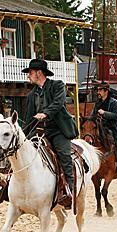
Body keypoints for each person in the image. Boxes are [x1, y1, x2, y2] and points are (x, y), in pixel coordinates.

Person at [22, 58, 79, 209]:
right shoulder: (31, 95)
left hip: (59, 130)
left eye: (30, 73)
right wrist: (21, 137)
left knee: (64, 156)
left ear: (39, 73)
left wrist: (45, 114)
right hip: (40, 132)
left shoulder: (57, 85)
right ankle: (6, 184)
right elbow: (28, 119)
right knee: (22, 152)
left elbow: (58, 103)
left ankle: (69, 192)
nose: (28, 76)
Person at [91, 81, 117, 177]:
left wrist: (104, 113)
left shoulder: (114, 103)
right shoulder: (98, 103)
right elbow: (93, 115)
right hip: (101, 127)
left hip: (114, 127)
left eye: (100, 90)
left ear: (106, 91)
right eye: (98, 90)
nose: (98, 92)